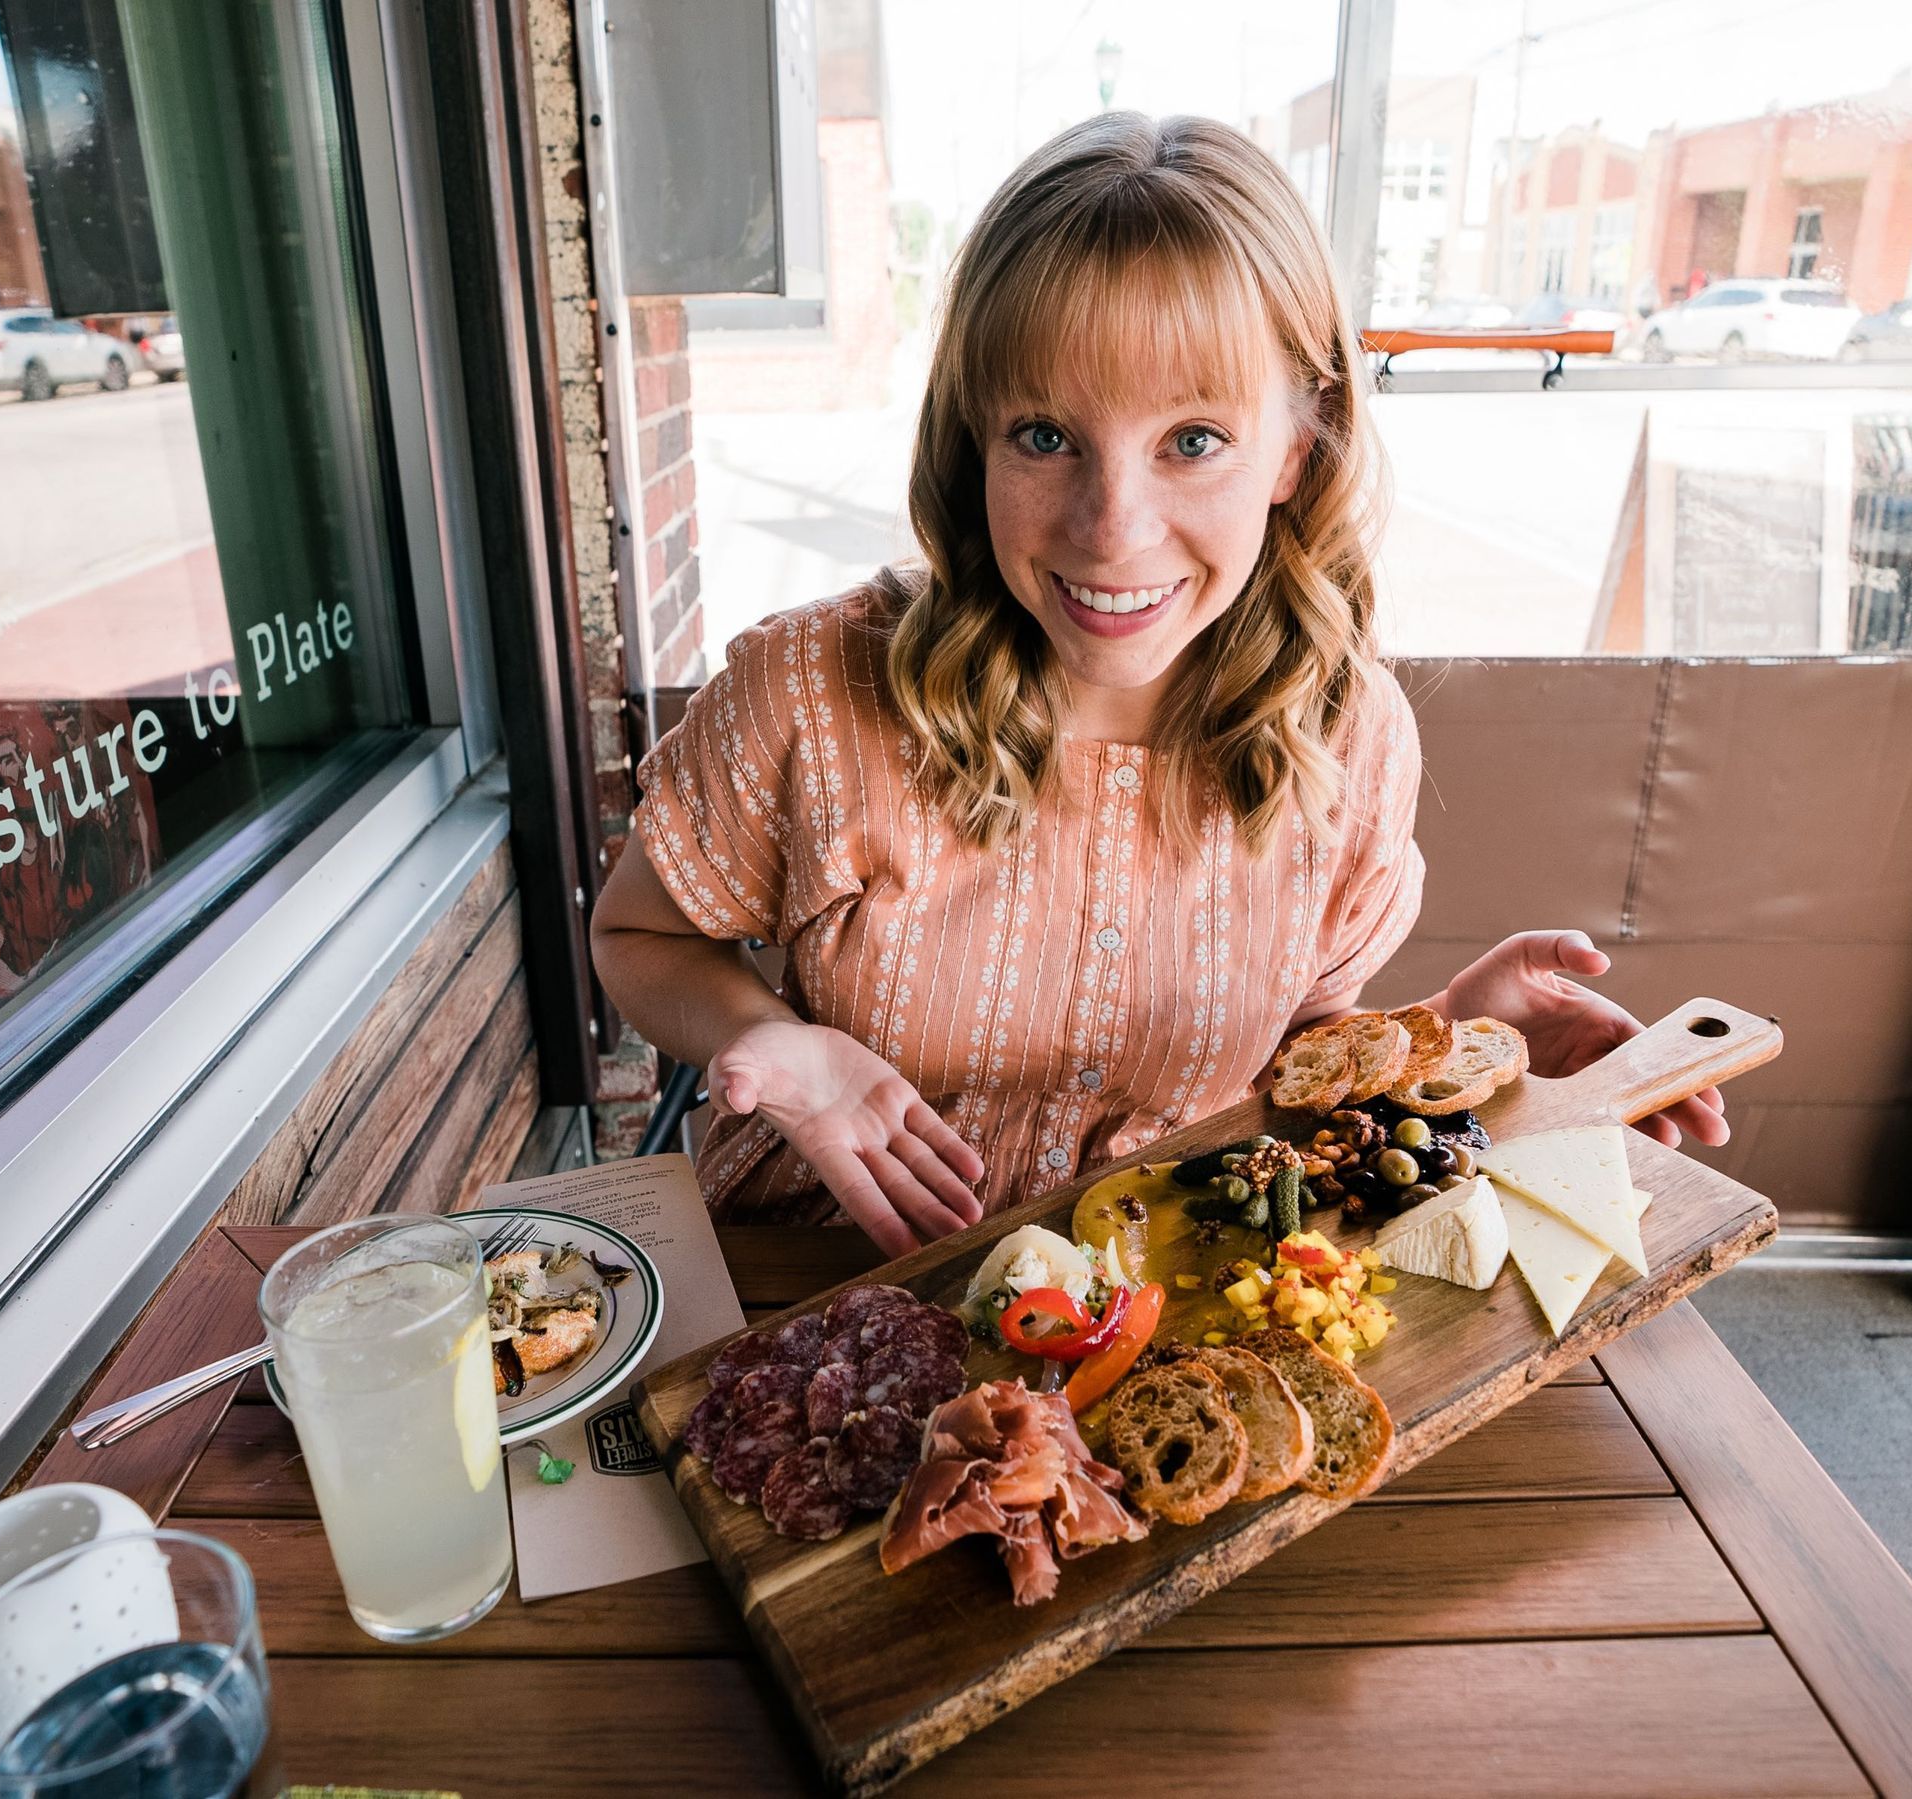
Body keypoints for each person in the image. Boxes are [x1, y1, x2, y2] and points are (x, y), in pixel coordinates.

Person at [589, 114, 1725, 1258]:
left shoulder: (1349, 735)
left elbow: (1288, 1065)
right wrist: (772, 1044)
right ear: (971, 435)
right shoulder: (808, 691)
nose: (1110, 530)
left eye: (1191, 440)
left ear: (1295, 446)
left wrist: (1441, 1040)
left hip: (1167, 1296)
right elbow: (638, 934)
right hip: (813, 1282)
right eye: (1043, 434)